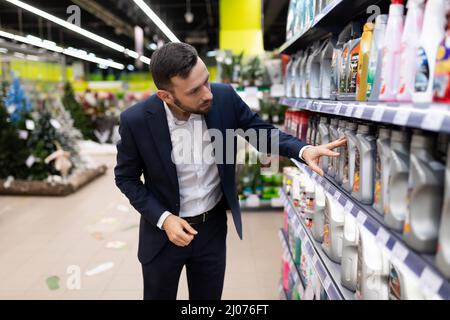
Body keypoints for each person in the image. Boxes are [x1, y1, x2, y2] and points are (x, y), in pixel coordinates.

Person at [114, 42, 346, 300]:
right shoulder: (135, 121)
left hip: (211, 230)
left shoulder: (223, 97)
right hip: (163, 234)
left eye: (207, 81)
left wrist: (303, 150)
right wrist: (164, 218)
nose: (207, 94)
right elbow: (126, 178)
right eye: (194, 90)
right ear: (166, 96)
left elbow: (259, 132)